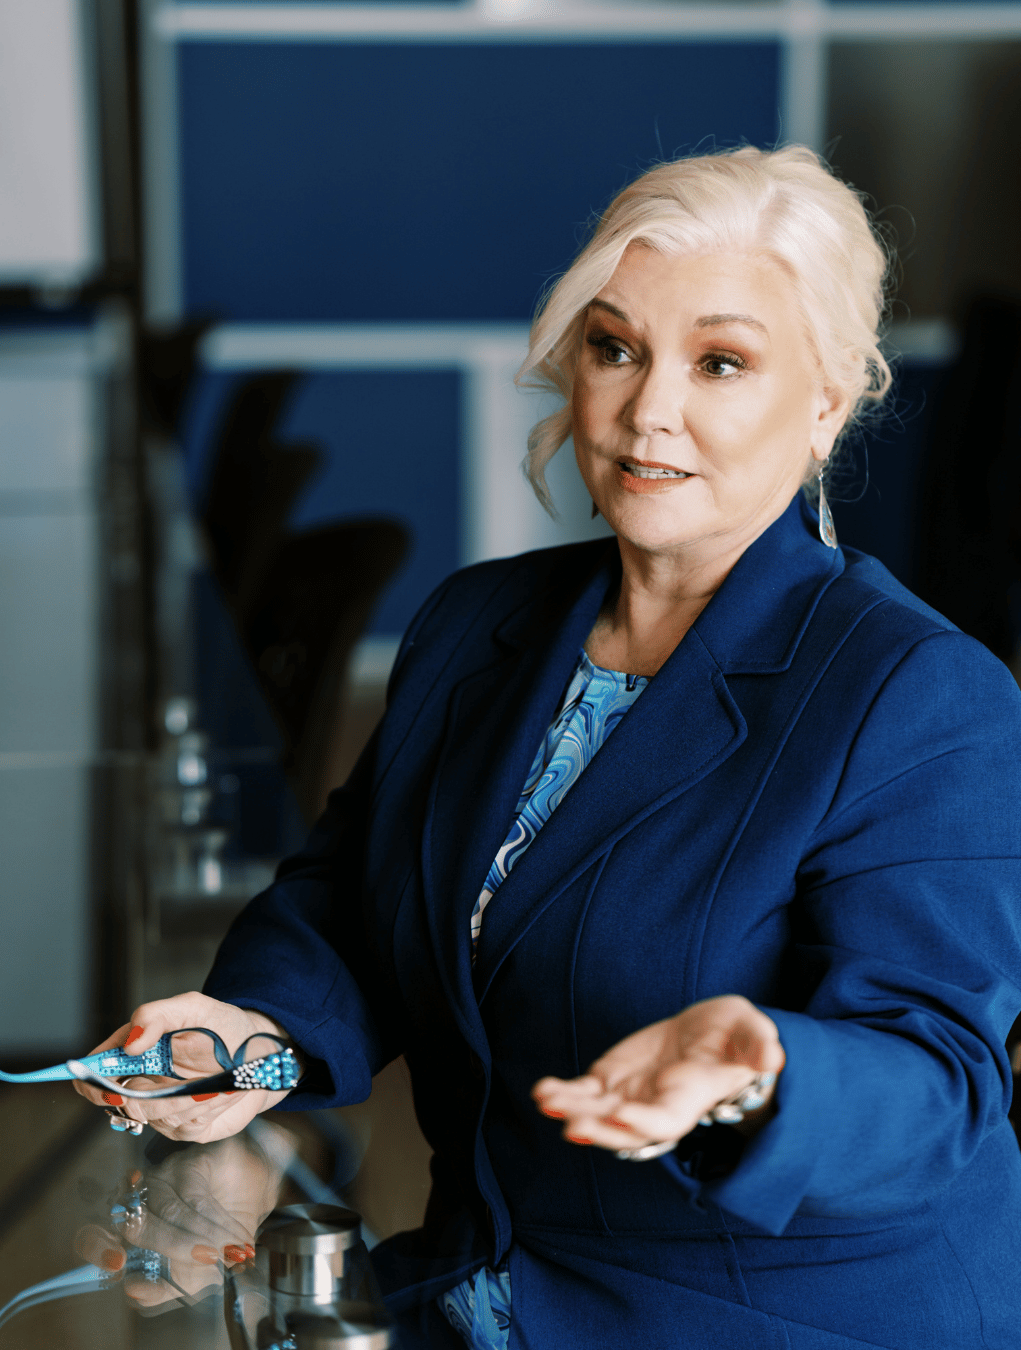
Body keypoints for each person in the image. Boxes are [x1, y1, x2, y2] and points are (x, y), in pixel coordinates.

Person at [76, 145, 1021, 1349]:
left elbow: (937, 1080)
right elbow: (352, 905)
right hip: (474, 1288)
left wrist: (760, 1067)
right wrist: (251, 1040)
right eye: (615, 347)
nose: (648, 410)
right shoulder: (481, 623)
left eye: (721, 363)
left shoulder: (920, 692)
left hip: (772, 1321)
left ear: (828, 402)